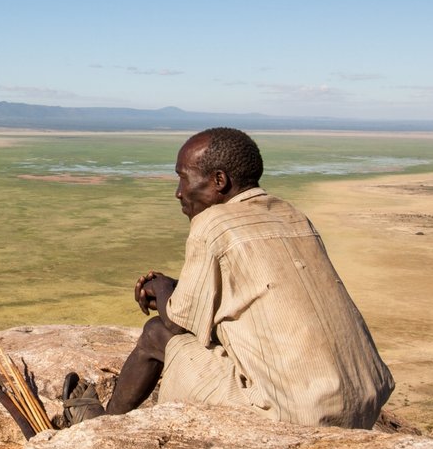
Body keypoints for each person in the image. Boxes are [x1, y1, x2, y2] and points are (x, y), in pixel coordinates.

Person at [63, 127, 394, 429]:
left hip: (293, 415)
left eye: (184, 178)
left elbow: (177, 325)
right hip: (363, 403)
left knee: (155, 333)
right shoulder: (292, 215)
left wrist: (161, 288)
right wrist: (176, 291)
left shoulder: (214, 223)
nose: (179, 192)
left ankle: (101, 428)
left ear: (218, 181)